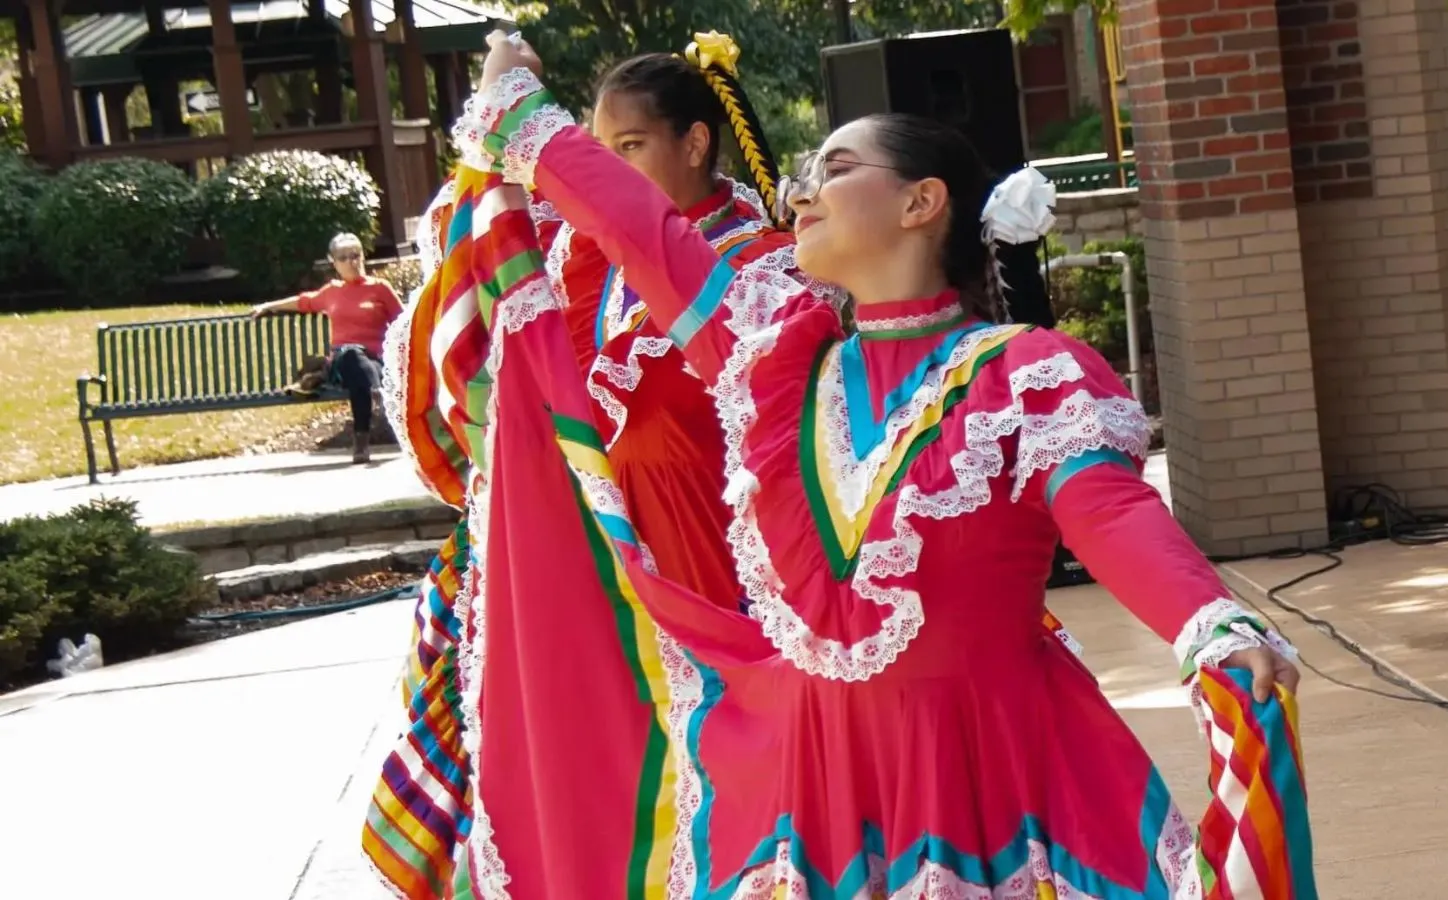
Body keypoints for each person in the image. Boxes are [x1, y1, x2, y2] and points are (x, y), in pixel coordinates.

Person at [406, 27, 1322, 899]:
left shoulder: (1024, 372)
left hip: (990, 767)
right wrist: (518, 109)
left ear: (922, 203)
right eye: (806, 176)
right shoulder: (774, 363)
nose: (802, 193)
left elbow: (1112, 513)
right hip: (815, 786)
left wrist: (1208, 623)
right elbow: (644, 231)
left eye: (838, 170)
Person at [363, 35, 842, 899]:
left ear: (695, 145)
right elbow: (483, 257)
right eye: (602, 147)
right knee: (620, 802)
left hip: (719, 572)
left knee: (751, 809)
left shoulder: (768, 271)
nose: (611, 165)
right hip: (610, 579)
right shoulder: (581, 255)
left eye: (631, 147)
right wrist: (496, 125)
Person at [252, 232, 402, 463]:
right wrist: (269, 306)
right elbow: (305, 301)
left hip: (376, 360)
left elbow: (404, 321)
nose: (352, 261)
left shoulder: (380, 288)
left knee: (363, 371)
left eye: (355, 255)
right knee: (352, 356)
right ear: (333, 262)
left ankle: (362, 437)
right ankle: (372, 405)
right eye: (343, 257)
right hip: (343, 363)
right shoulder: (332, 291)